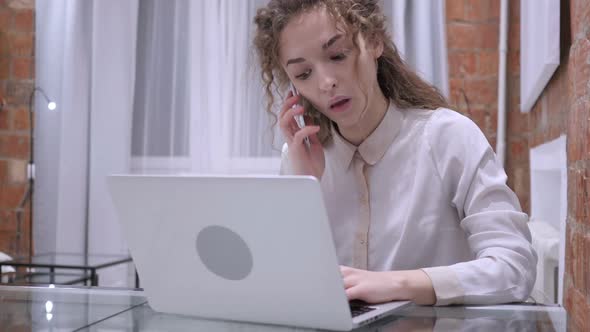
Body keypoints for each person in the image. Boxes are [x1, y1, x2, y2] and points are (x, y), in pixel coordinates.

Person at [253, 0, 536, 306]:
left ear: (374, 41)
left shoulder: (448, 137)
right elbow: (287, 288)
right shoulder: (297, 159)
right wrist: (304, 188)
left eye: (337, 55)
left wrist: (398, 283)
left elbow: (514, 267)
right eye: (303, 73)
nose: (326, 82)